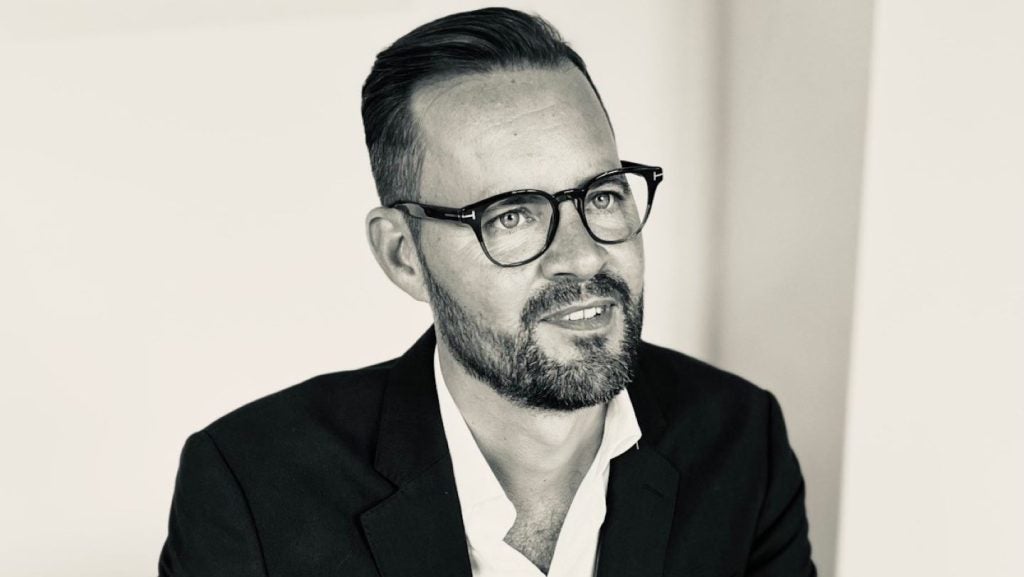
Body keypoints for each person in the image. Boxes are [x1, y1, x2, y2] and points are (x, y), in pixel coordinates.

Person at [158, 7, 815, 576]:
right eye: (511, 215)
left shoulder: (740, 441)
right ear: (403, 255)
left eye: (602, 194)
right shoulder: (251, 486)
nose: (583, 253)